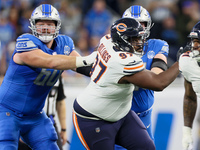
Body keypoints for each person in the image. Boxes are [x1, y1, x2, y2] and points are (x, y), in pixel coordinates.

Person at [72, 17, 180, 150]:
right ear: (121, 40)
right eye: (134, 39)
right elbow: (158, 83)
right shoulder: (120, 61)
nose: (140, 43)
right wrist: (181, 62)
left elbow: (87, 62)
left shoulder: (107, 41)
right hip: (93, 118)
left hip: (120, 112)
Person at [0, 4, 96, 150]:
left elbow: (84, 67)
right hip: (7, 112)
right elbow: (50, 61)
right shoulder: (25, 42)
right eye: (41, 24)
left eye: (50, 24)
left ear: (57, 26)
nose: (45, 28)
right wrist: (87, 58)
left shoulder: (64, 44)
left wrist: (111, 70)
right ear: (33, 26)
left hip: (35, 116)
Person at [115, 5, 169, 150]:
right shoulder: (113, 46)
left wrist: (129, 77)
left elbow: (157, 76)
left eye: (142, 24)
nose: (138, 29)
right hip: (117, 116)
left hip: (143, 115)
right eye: (133, 24)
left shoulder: (157, 45)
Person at [18, 76, 68, 150]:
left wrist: (63, 129)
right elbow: (16, 99)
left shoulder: (57, 73)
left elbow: (60, 101)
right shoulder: (28, 71)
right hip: (29, 124)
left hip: (50, 122)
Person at [179, 21, 200, 150]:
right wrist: (187, 131)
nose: (195, 45)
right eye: (194, 41)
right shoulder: (190, 62)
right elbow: (190, 97)